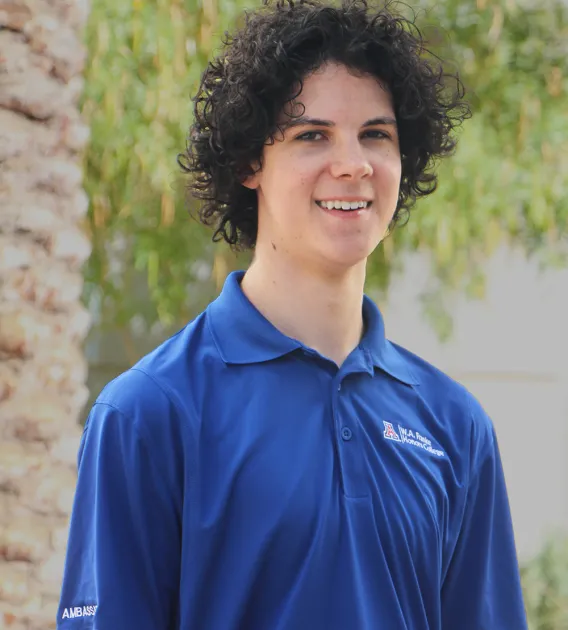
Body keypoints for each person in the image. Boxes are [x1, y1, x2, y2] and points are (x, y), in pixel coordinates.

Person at [57, 0, 529, 628]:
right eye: (313, 134)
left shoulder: (456, 426)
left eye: (375, 134)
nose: (353, 164)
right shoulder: (150, 412)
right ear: (251, 161)